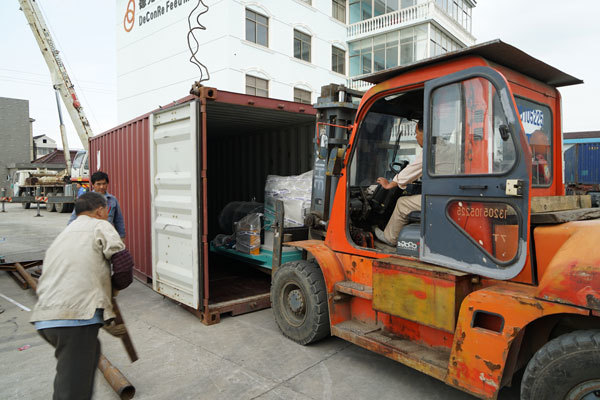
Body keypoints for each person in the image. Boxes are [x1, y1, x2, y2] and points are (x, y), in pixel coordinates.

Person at [30, 192, 133, 400]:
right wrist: (112, 293)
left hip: (46, 320)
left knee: (91, 353)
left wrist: (104, 316)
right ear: (100, 210)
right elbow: (123, 266)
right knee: (72, 393)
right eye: (106, 210)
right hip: (73, 322)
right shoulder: (100, 225)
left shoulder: (65, 234)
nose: (107, 214)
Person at [374, 120, 424, 246]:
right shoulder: (446, 146)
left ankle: (390, 237)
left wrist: (389, 184)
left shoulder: (430, 150)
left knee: (402, 203)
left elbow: (414, 169)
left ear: (424, 132)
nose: (415, 137)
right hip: (446, 194)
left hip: (437, 199)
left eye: (416, 133)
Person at [69, 171, 126, 239]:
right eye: (98, 184)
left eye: (104, 184)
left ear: (107, 184)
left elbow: (118, 221)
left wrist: (122, 237)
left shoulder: (112, 200)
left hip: (107, 237)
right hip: (89, 238)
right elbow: (73, 220)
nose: (102, 187)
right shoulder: (84, 200)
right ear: (93, 185)